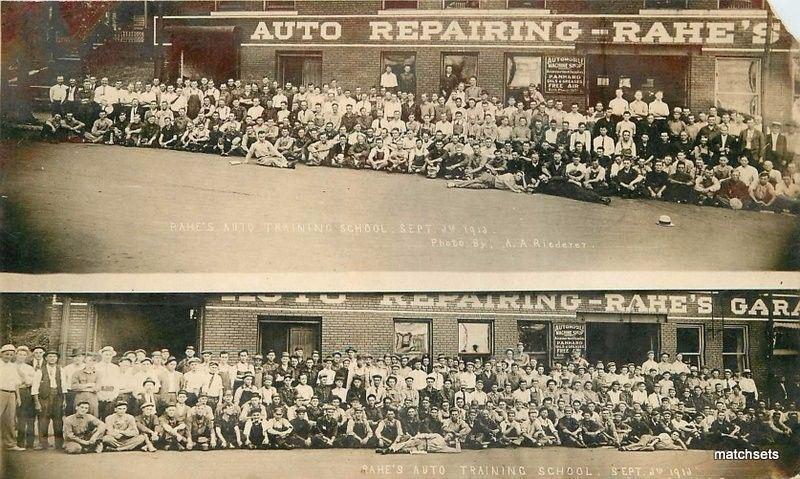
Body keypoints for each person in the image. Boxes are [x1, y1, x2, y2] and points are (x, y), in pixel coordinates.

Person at [32, 350, 65, 450]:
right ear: (46, 358)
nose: (52, 358)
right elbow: (35, 387)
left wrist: (64, 400)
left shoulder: (60, 369)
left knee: (58, 421)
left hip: (57, 396)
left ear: (57, 358)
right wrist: (37, 402)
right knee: (43, 420)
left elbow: (64, 385)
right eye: (50, 356)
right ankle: (43, 443)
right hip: (44, 397)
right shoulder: (40, 370)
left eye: (54, 357)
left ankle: (59, 444)